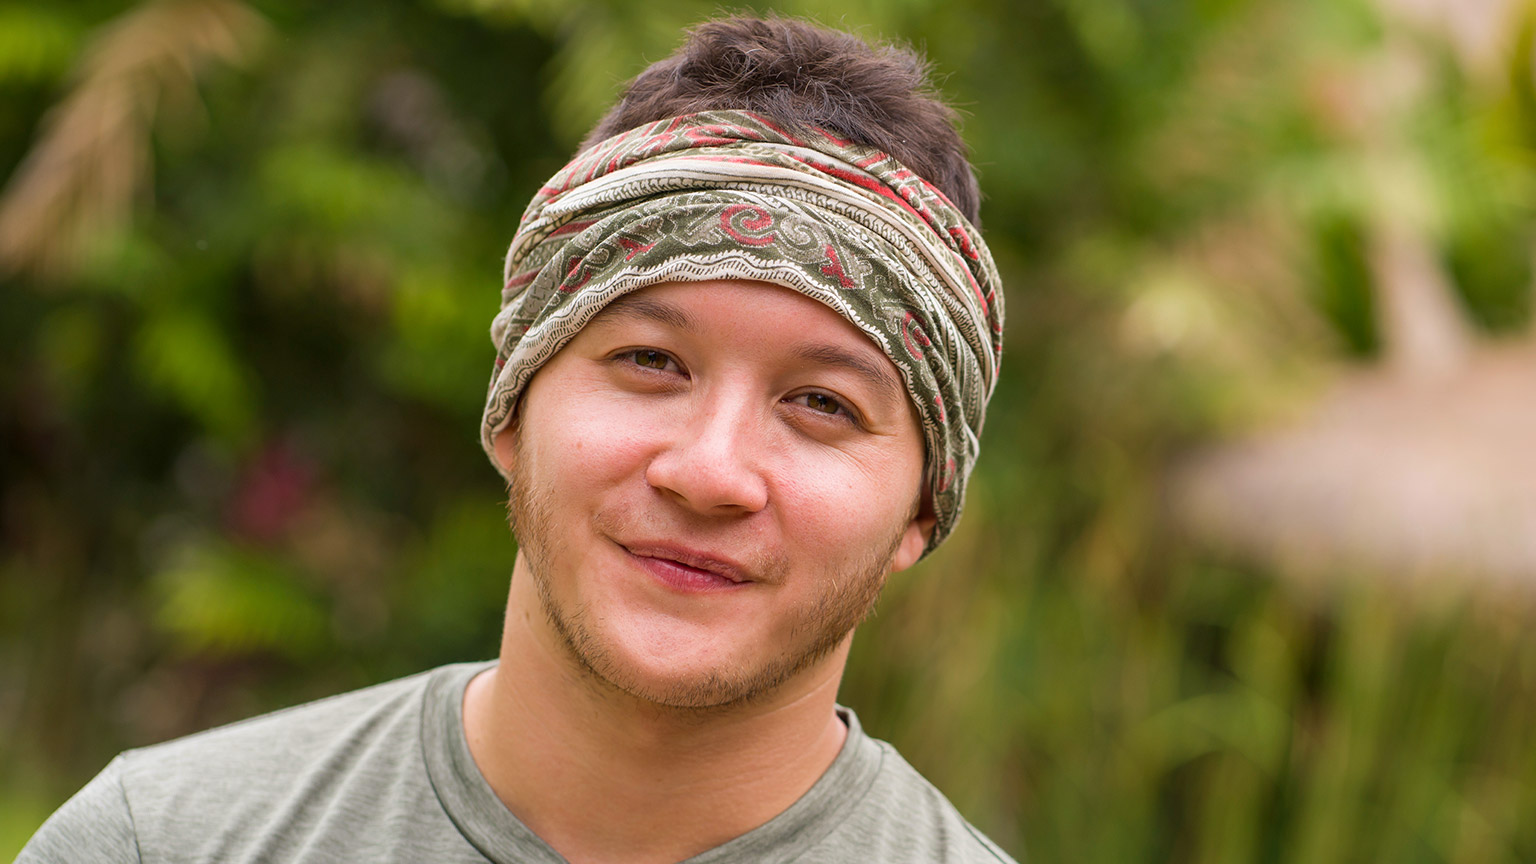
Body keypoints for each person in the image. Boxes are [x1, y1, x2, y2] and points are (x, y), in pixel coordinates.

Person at [19, 15, 1011, 864]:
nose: (710, 472)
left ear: (924, 506)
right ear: (512, 401)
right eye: (652, 363)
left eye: (823, 405)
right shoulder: (168, 842)